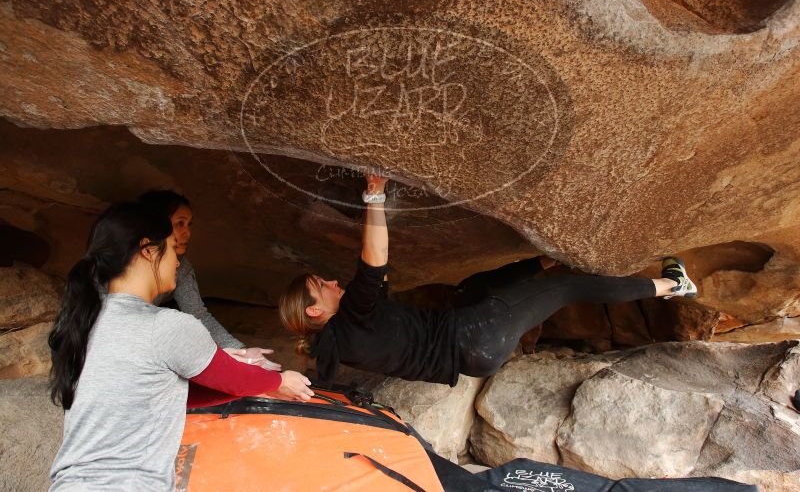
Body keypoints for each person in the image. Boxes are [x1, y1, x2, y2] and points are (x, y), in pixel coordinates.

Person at [279, 173, 697, 387]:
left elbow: (380, 278)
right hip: (474, 335)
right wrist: (375, 194)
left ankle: (545, 263)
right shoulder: (351, 318)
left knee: (472, 288)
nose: (335, 283)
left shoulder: (336, 344)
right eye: (324, 286)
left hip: (471, 353)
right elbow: (375, 259)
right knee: (568, 289)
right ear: (316, 310)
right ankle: (673, 285)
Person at [48, 202, 313, 491]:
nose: (177, 261)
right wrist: (279, 381)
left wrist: (257, 384)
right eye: (173, 248)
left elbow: (165, 396)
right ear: (148, 251)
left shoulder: (87, 324)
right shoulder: (166, 325)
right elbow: (232, 377)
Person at [138, 190, 278, 370]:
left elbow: (197, 314)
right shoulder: (122, 270)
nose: (187, 232)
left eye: (189, 224)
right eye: (179, 223)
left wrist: (241, 351)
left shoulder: (182, 265)